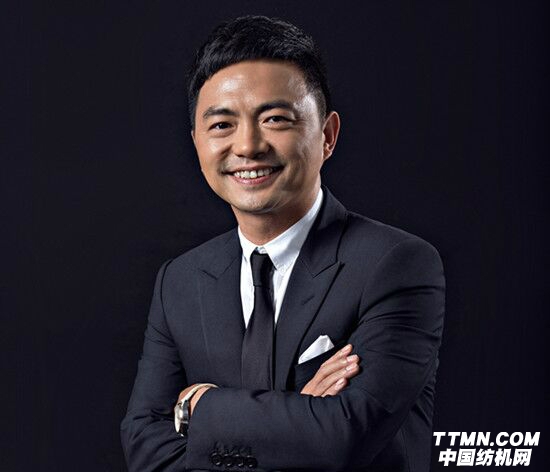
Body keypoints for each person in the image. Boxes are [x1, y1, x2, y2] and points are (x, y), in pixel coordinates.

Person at [121, 15, 445, 472]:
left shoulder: (395, 264)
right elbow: (145, 449)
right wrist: (299, 415)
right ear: (196, 143)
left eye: (274, 119)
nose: (248, 146)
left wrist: (198, 408)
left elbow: (344, 438)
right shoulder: (179, 281)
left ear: (327, 136)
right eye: (222, 125)